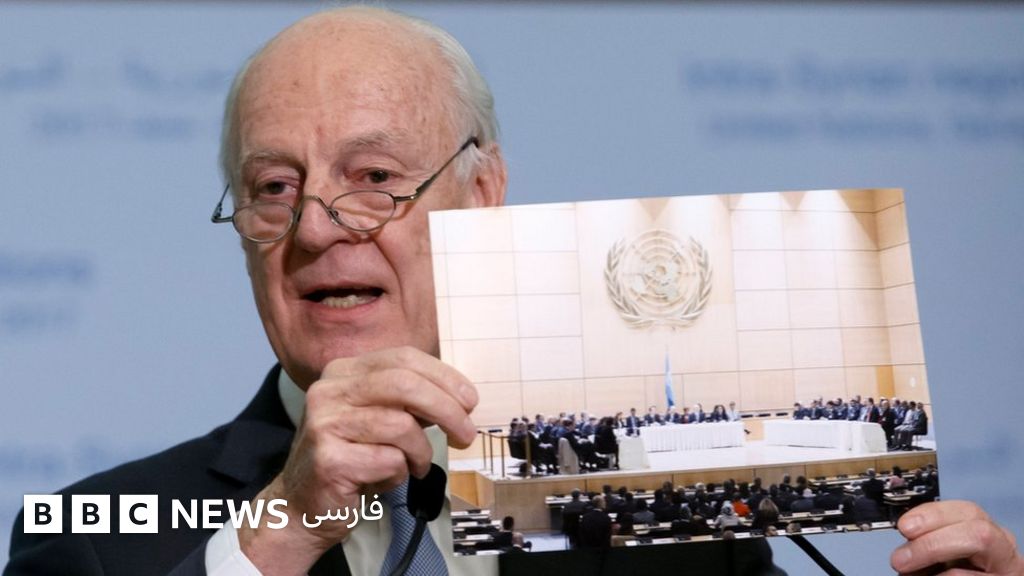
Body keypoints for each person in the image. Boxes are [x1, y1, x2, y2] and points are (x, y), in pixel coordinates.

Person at [5, 6, 1021, 576]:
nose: (315, 228)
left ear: (483, 193)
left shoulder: (657, 509)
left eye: (374, 176)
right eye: (273, 188)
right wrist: (280, 531)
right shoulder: (90, 531)